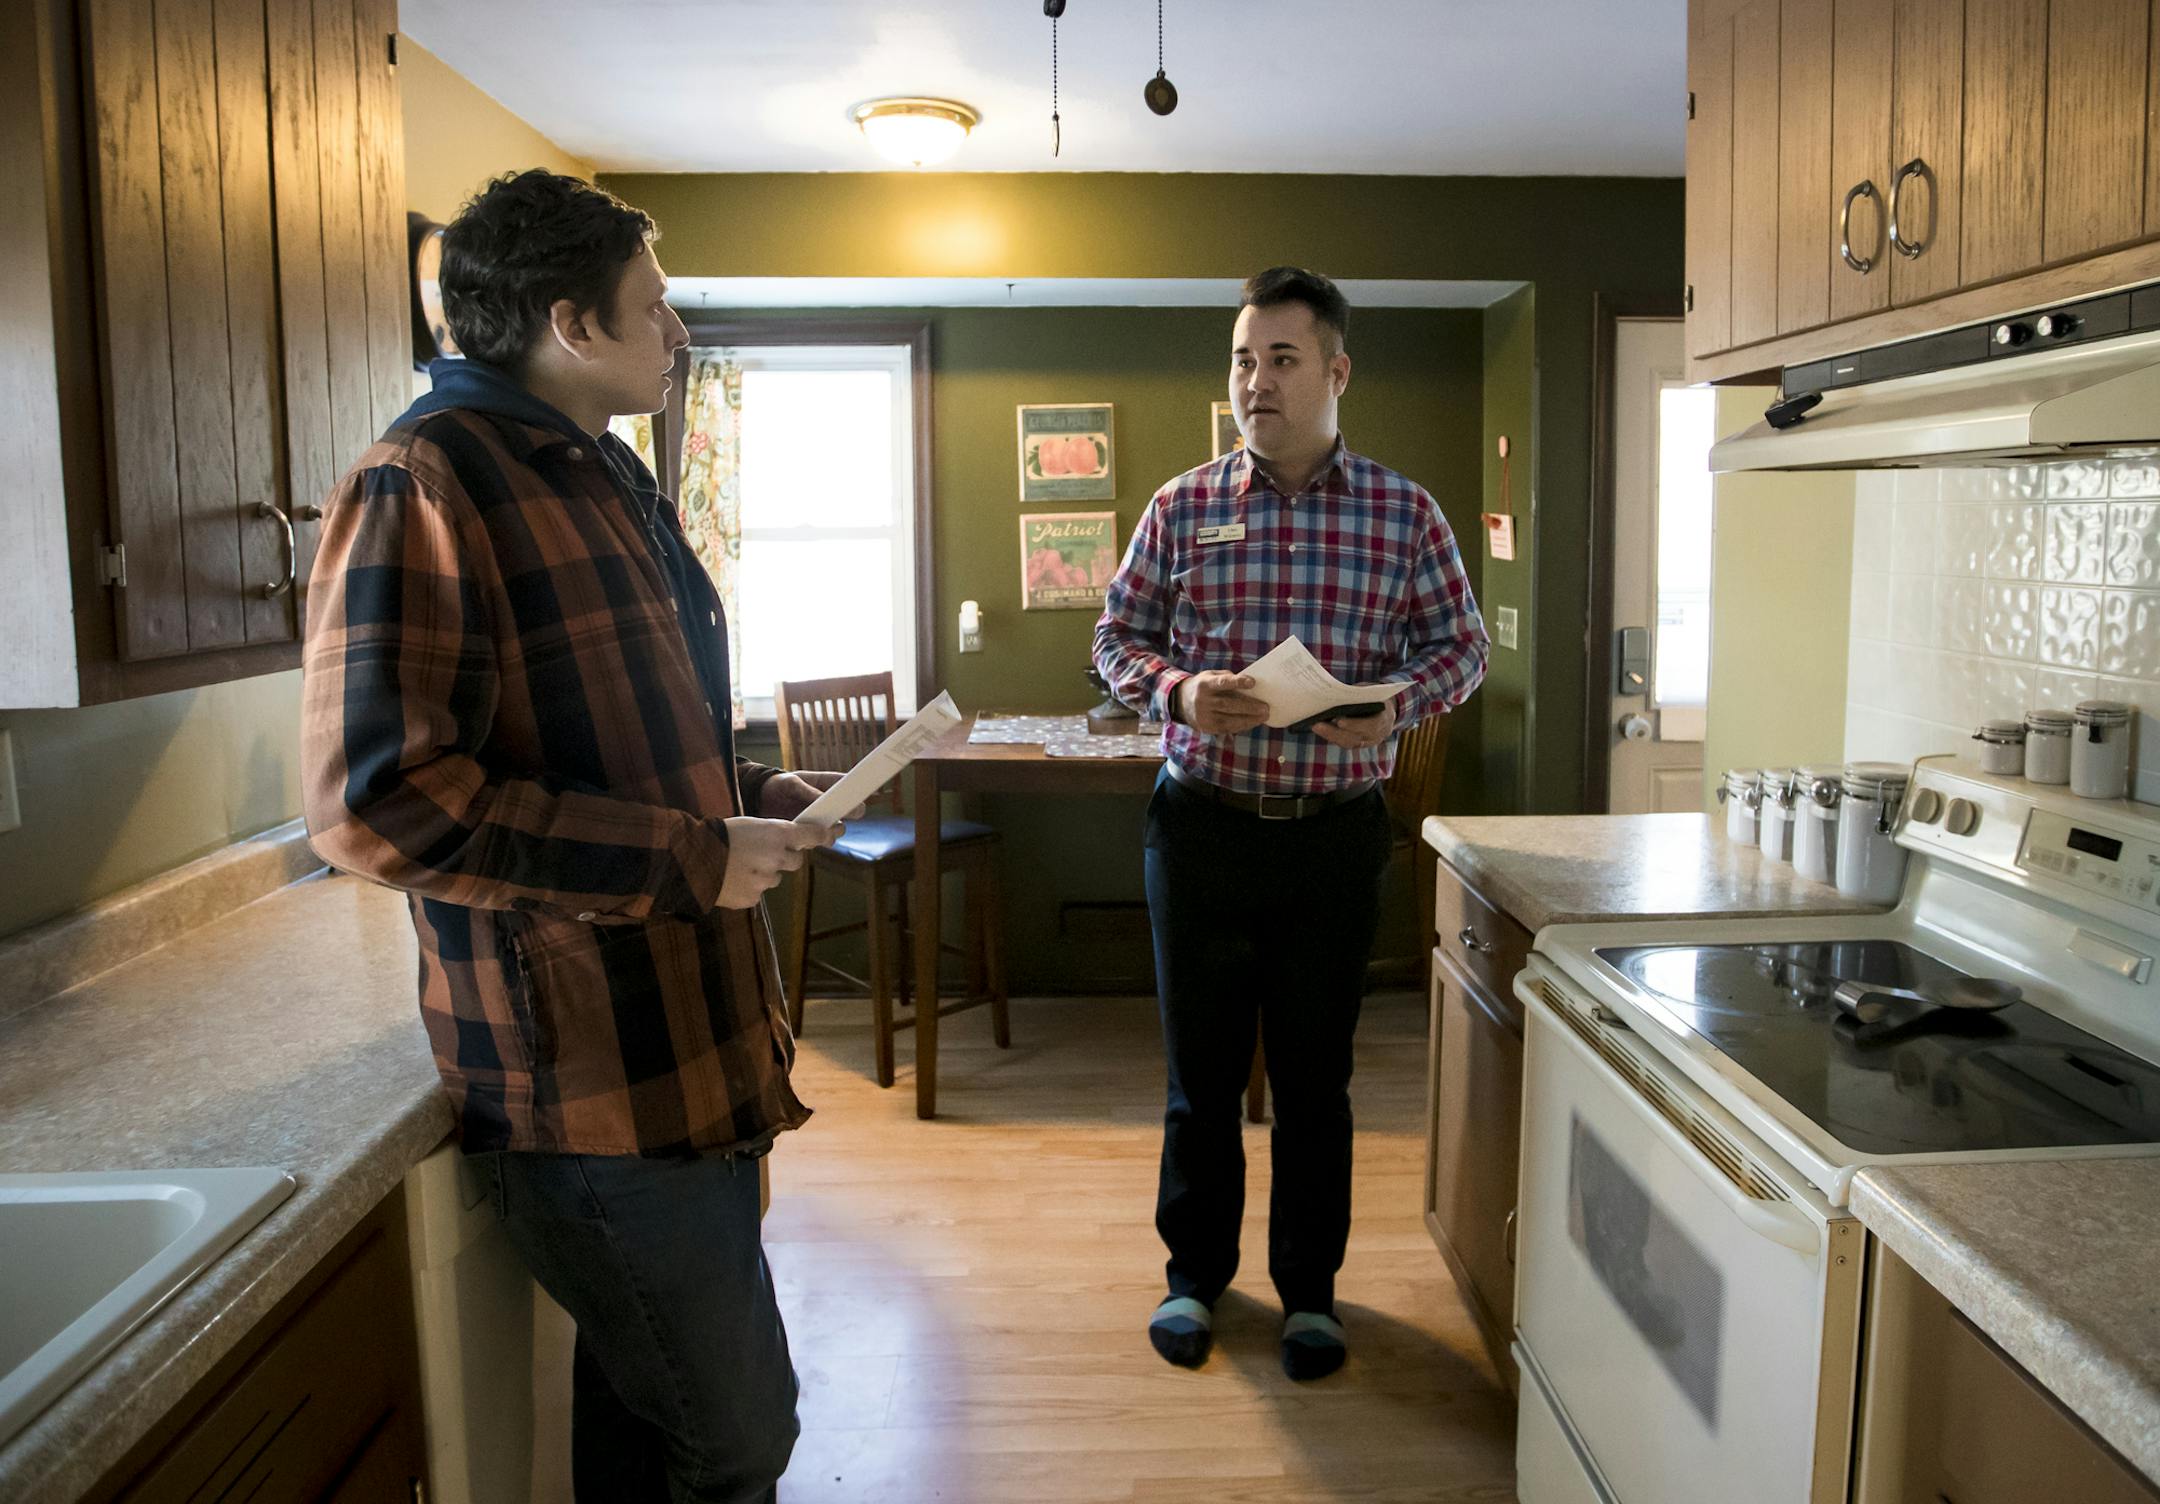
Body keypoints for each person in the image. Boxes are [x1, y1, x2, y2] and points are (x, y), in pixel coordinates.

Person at [300, 170, 849, 1502]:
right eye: (656, 310)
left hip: (689, 1047)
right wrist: (687, 857)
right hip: (592, 1079)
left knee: (646, 1416)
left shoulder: (599, 469)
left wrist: (745, 797)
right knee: (737, 1437)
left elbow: (621, 726)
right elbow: (373, 801)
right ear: (571, 323)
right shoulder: (424, 481)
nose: (681, 335)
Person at [1092, 266, 1489, 1382]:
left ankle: (1311, 1293)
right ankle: (1194, 1279)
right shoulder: (1182, 506)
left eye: (1280, 359)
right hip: (1201, 825)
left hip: (1330, 837)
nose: (1254, 383)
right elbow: (1115, 638)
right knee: (1200, 1082)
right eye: (1241, 359)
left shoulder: (1404, 512)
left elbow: (1464, 648)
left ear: (1336, 370)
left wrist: (1396, 708)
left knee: (1318, 1081)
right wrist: (1175, 691)